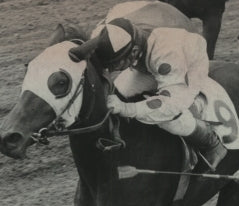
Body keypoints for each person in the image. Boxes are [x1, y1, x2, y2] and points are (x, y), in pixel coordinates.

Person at [70, 9, 227, 168]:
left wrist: (126, 108)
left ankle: (211, 142)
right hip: (147, 64)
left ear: (134, 52)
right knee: (120, 92)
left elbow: (170, 105)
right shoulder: (108, 32)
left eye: (114, 64)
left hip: (188, 64)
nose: (111, 69)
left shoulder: (166, 54)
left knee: (169, 119)